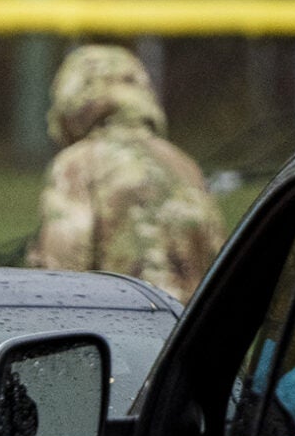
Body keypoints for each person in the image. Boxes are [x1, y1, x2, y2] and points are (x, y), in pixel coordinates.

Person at [27, 44, 226, 300]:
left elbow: (62, 274)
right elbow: (219, 262)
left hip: (121, 331)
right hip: (187, 331)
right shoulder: (183, 165)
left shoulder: (78, 164)